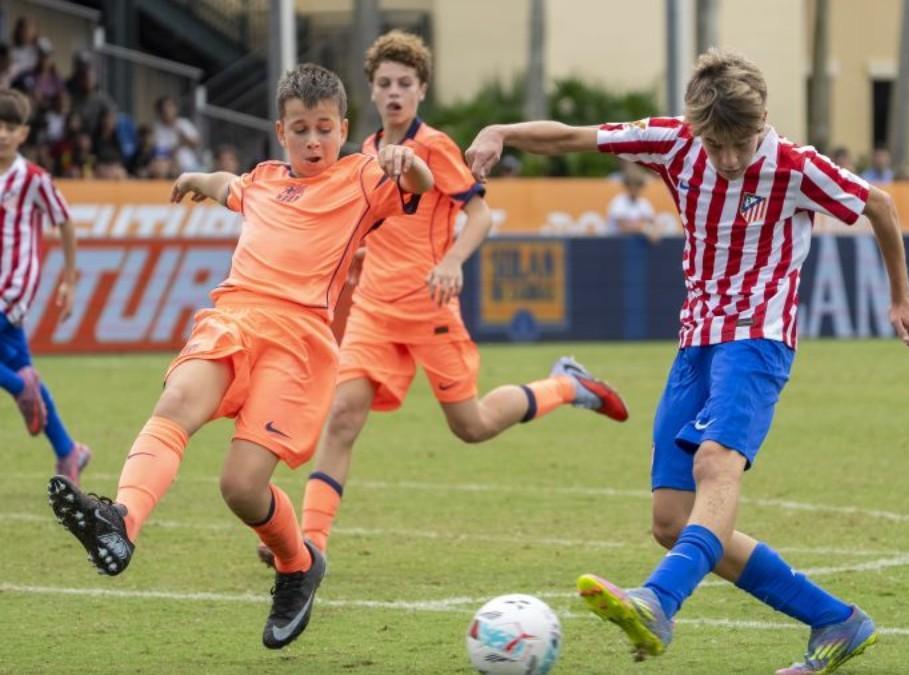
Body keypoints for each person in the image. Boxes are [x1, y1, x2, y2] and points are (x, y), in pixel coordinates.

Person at [466, 48, 909, 675]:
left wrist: (900, 296)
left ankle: (658, 600)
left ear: (762, 120)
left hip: (758, 341)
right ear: (697, 129)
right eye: (717, 146)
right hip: (696, 344)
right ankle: (836, 620)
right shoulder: (673, 143)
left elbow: (879, 205)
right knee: (669, 520)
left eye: (742, 143)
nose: (731, 160)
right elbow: (576, 135)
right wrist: (501, 131)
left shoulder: (794, 165)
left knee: (716, 465)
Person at [46, 63, 434, 650]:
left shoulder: (364, 177)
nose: (313, 141)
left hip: (298, 341)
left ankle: (297, 564)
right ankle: (120, 522)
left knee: (240, 486)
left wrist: (410, 162)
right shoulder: (265, 180)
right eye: (301, 128)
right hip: (233, 321)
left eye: (325, 129)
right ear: (281, 130)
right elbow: (232, 186)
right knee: (176, 401)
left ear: (343, 128)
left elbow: (420, 186)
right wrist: (197, 176)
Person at [254, 31, 628, 569]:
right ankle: (311, 545)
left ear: (422, 90)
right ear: (372, 91)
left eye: (405, 83)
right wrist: (354, 254)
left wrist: (452, 261)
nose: (394, 93)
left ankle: (567, 384)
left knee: (470, 425)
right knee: (342, 416)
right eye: (384, 83)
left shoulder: (435, 147)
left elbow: (479, 214)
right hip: (374, 311)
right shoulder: (363, 151)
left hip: (428, 307)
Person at [0, 89, 89, 480]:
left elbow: (65, 223)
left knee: (20, 379)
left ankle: (20, 387)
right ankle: (69, 451)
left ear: (23, 133)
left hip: (13, 285)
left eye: (10, 127)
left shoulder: (33, 179)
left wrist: (69, 281)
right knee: (19, 364)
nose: (2, 134)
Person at [606, 165, 658, 240]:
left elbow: (653, 223)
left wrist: (653, 231)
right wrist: (644, 228)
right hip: (618, 244)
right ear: (627, 186)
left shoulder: (644, 203)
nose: (635, 189)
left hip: (639, 245)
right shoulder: (618, 202)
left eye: (638, 186)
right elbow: (622, 227)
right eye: (632, 185)